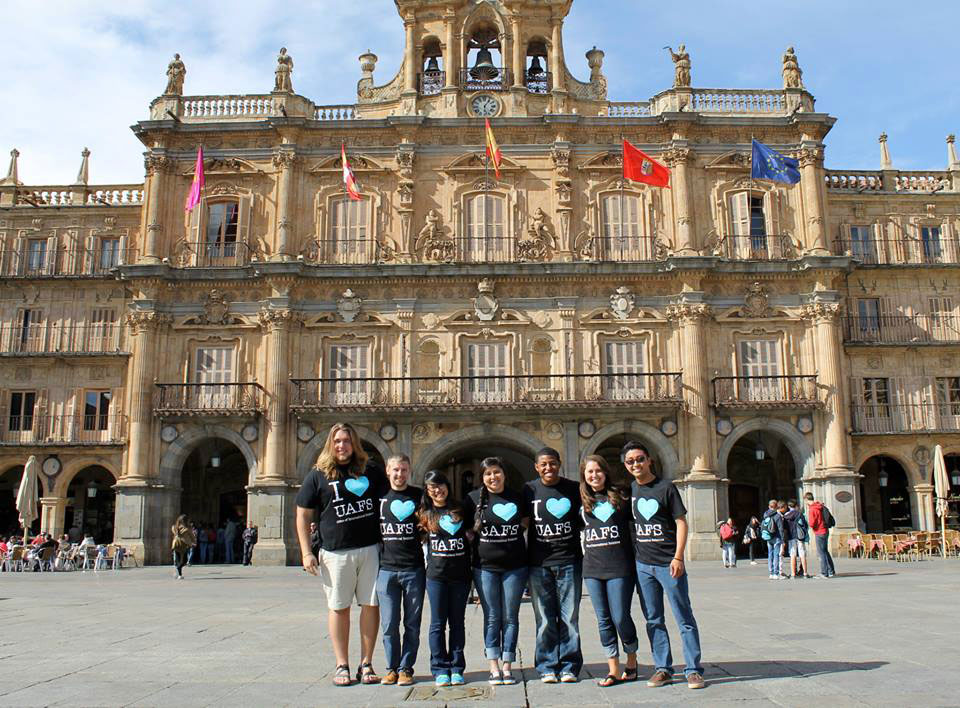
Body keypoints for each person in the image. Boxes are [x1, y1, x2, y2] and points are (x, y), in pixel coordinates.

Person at [295, 422, 386, 687]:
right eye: (337, 441)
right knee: (339, 607)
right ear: (330, 445)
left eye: (346, 441)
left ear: (354, 444)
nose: (341, 446)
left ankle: (366, 663)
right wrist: (305, 552)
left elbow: (389, 500)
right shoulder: (319, 475)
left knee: (371, 605)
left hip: (369, 548)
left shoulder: (371, 471)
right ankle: (342, 664)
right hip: (335, 551)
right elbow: (302, 514)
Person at [624, 441, 705, 690]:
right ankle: (663, 668)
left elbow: (681, 522)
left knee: (683, 616)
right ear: (626, 466)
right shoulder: (631, 491)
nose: (636, 464)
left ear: (649, 460)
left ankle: (693, 669)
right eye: (630, 461)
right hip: (643, 565)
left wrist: (678, 557)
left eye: (639, 459)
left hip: (668, 563)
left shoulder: (666, 488)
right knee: (653, 619)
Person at [464, 457, 529, 686]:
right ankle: (493, 666)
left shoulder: (517, 497)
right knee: (492, 616)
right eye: (488, 474)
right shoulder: (472, 499)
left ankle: (508, 664)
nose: (493, 477)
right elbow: (463, 527)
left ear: (504, 474)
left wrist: (518, 531)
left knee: (511, 616)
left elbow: (527, 519)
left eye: (497, 472)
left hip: (516, 566)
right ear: (483, 477)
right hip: (484, 568)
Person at [523, 446, 583, 684]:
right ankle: (547, 665)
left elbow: (585, 519)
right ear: (537, 467)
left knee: (570, 618)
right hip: (538, 563)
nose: (549, 468)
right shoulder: (529, 489)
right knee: (545, 618)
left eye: (552, 463)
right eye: (543, 465)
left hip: (569, 561)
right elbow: (523, 524)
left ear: (560, 464)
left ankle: (569, 665)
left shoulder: (573, 488)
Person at [579, 455, 639, 687]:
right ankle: (613, 668)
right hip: (592, 568)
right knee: (603, 620)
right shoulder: (582, 501)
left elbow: (636, 529)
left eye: (598, 471)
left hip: (619, 567)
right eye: (589, 472)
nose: (594, 475)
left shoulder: (621, 497)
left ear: (605, 472)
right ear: (584, 476)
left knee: (620, 616)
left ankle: (631, 658)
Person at [376, 455, 424, 687]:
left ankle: (406, 668)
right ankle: (391, 668)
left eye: (404, 470)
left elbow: (430, 523)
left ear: (409, 471)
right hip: (385, 570)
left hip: (414, 568)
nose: (400, 474)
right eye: (396, 470)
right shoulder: (380, 497)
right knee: (389, 624)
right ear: (388, 471)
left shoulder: (419, 496)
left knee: (412, 624)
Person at [419, 469, 471, 687]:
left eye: (440, 485)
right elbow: (419, 541)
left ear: (447, 486)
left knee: (458, 623)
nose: (437, 490)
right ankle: (440, 667)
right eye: (432, 487)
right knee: (437, 623)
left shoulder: (460, 509)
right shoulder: (424, 513)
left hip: (460, 575)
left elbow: (471, 535)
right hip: (436, 576)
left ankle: (457, 667)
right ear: (428, 491)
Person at [804, 492, 836, 578]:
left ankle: (824, 572)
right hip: (825, 530)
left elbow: (811, 523)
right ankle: (831, 571)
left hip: (819, 532)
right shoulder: (820, 506)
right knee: (825, 551)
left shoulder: (812, 509)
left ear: (806, 500)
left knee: (821, 553)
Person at [783, 500, 810, 579]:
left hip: (791, 537)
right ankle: (805, 573)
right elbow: (805, 525)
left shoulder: (786, 516)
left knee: (792, 555)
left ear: (788, 506)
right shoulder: (800, 514)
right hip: (800, 537)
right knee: (802, 555)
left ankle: (793, 574)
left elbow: (784, 527)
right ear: (796, 506)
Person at [761, 500, 785, 580]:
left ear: (769, 506)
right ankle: (776, 573)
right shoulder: (777, 516)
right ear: (776, 507)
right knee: (776, 555)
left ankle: (771, 573)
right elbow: (780, 528)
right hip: (776, 537)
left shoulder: (765, 514)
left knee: (770, 554)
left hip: (768, 537)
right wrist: (783, 539)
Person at [171, 514, 195, 580]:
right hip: (182, 545)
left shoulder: (175, 527)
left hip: (177, 545)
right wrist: (194, 542)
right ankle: (179, 572)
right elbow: (192, 536)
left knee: (180, 560)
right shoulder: (187, 528)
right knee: (183, 561)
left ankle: (179, 573)